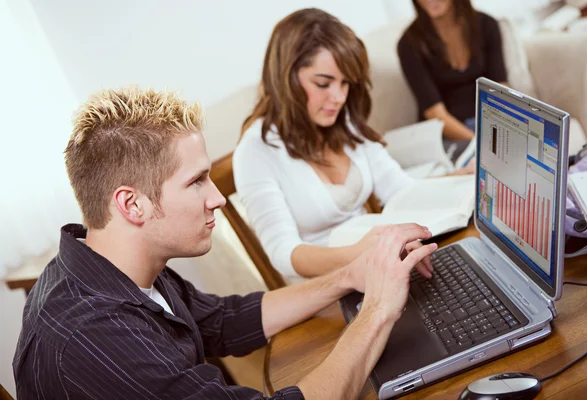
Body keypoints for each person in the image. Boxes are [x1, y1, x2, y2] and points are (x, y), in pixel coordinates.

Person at [12, 86, 437, 399]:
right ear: (132, 204)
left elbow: (225, 320)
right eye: (197, 181)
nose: (217, 198)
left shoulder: (111, 262)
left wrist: (349, 275)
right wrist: (379, 310)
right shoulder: (96, 337)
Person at [234, 8, 469, 284]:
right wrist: (360, 254)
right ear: (286, 78)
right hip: (324, 288)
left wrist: (461, 179)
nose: (338, 97)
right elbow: (284, 253)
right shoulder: (255, 151)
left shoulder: (343, 123)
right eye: (323, 83)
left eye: (345, 83)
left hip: (379, 266)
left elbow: (400, 189)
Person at [398, 0, 508, 161]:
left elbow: (501, 89)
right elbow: (435, 113)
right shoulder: (408, 44)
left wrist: (501, 131)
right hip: (450, 133)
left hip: (488, 122)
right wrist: (479, 144)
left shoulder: (486, 25)